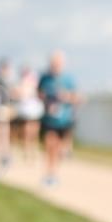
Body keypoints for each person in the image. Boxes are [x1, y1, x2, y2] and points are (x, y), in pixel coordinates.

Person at [37, 50, 80, 186]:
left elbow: (78, 98)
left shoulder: (69, 79)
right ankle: (50, 174)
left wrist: (66, 97)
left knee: (59, 149)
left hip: (65, 120)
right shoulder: (44, 78)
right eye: (53, 63)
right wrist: (45, 102)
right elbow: (39, 93)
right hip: (49, 119)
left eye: (58, 63)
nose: (55, 65)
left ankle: (54, 172)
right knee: (50, 145)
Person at [13, 64, 44, 162]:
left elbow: (40, 93)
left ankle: (33, 150)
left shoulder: (35, 81)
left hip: (35, 109)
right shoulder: (21, 82)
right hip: (26, 109)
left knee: (34, 132)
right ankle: (27, 151)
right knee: (27, 131)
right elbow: (17, 94)